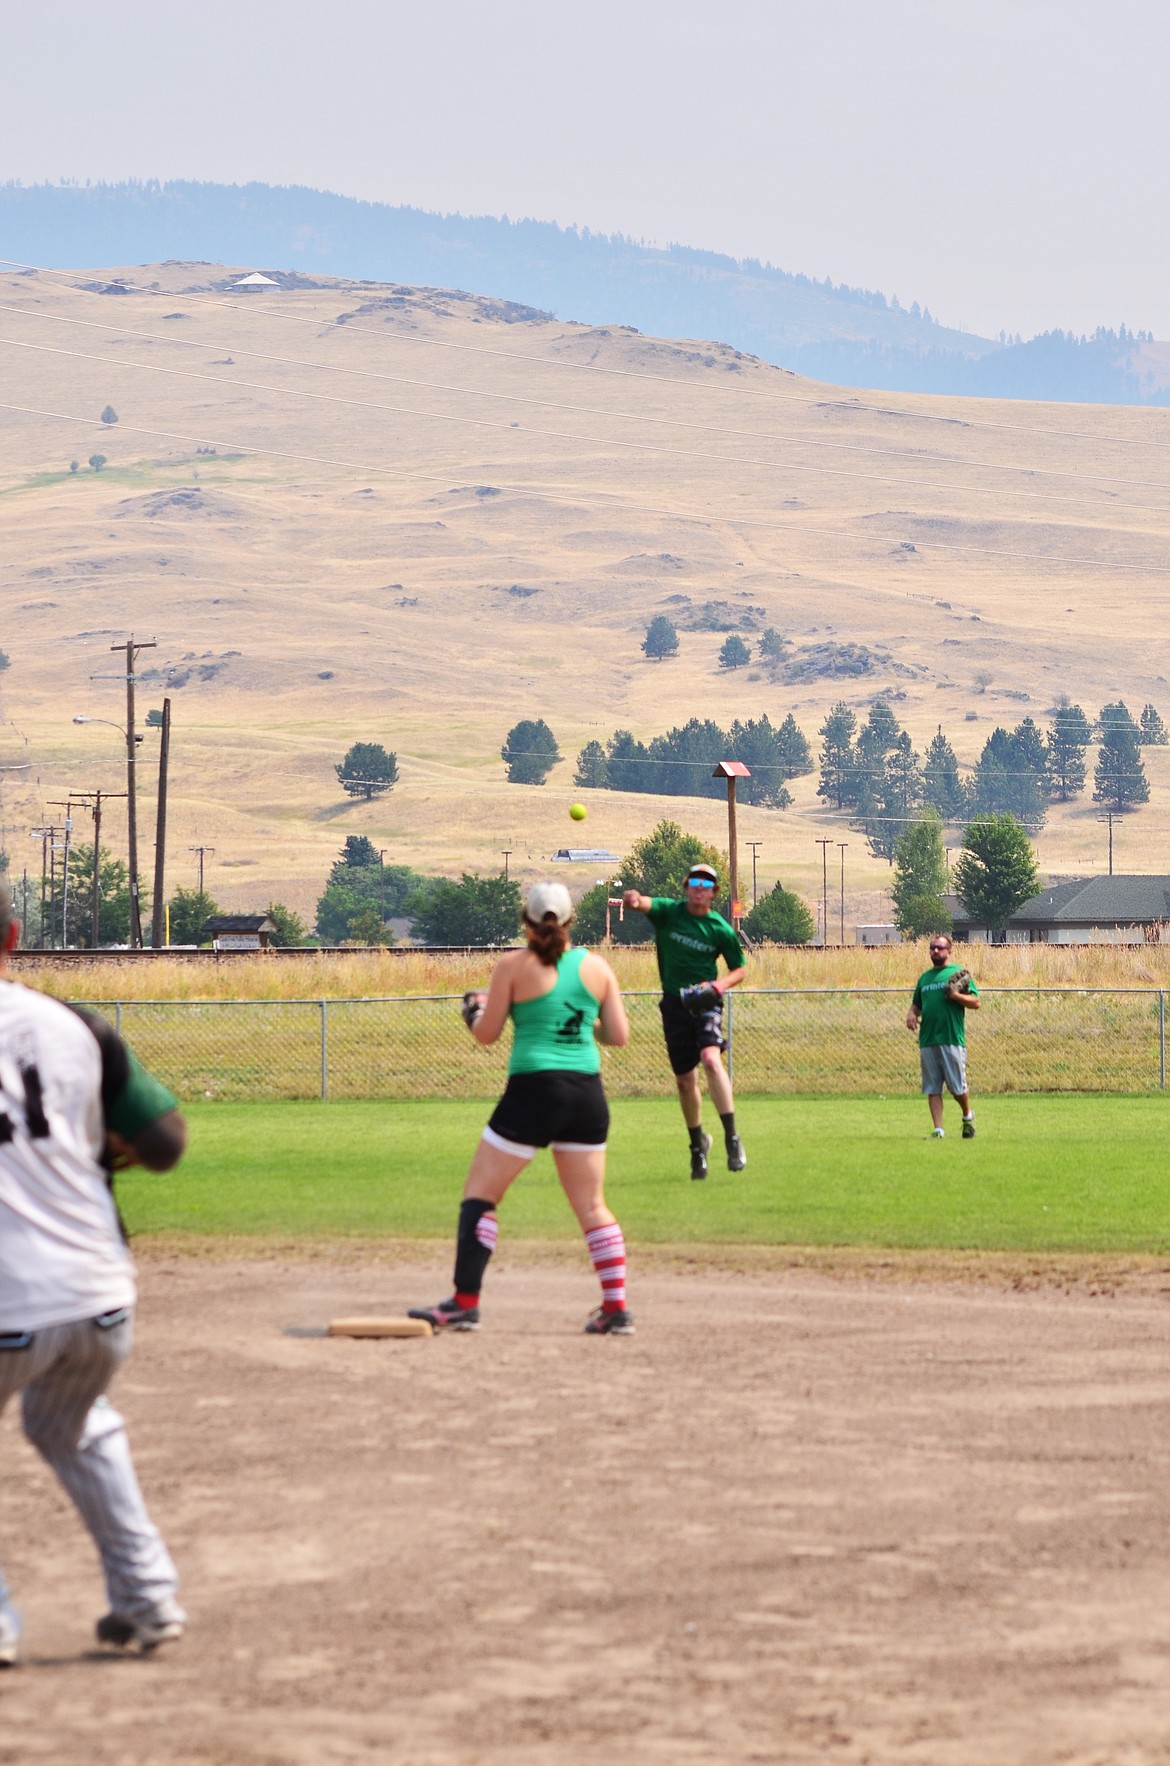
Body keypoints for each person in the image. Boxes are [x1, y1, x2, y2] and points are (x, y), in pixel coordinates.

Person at [0, 878, 188, 1666]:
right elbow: (166, 1142)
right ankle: (147, 1600)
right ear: (12, 936)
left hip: (9, 1302)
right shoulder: (73, 1024)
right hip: (99, 1296)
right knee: (69, 1421)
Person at [409, 880, 633, 1335]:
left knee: (481, 1198)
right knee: (592, 1207)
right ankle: (616, 1309)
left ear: (526, 923)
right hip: (586, 1094)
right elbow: (617, 1035)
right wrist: (578, 1023)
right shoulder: (597, 967)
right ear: (570, 921)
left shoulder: (512, 965)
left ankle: (465, 1303)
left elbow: (487, 1034)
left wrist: (473, 1010)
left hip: (534, 1091)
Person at [622, 864, 747, 1180]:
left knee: (710, 1059)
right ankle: (698, 1146)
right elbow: (644, 902)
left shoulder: (719, 929)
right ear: (686, 886)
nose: (699, 887)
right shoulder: (670, 913)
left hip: (705, 1002)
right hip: (675, 1005)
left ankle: (733, 1139)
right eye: (694, 881)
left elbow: (739, 969)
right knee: (684, 1081)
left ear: (714, 892)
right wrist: (634, 899)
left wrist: (717, 987)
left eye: (706, 883)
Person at [905, 932, 980, 1138]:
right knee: (932, 1087)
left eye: (940, 947)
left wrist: (955, 995)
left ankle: (967, 1115)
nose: (935, 950)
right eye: (932, 947)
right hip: (928, 1039)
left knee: (957, 1088)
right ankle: (938, 1129)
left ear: (949, 951)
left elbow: (976, 1002)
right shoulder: (925, 978)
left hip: (951, 1038)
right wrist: (912, 1014)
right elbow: (917, 1004)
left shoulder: (958, 973)